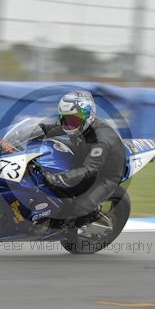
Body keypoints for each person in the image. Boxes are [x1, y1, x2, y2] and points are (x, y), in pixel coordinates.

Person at [38, 91, 125, 225]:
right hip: (81, 156)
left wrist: (60, 178)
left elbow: (90, 169)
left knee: (78, 208)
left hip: (104, 175)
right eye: (65, 119)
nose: (69, 124)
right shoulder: (73, 123)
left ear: (87, 116)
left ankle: (79, 227)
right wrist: (26, 133)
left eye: (73, 120)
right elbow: (47, 129)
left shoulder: (101, 139)